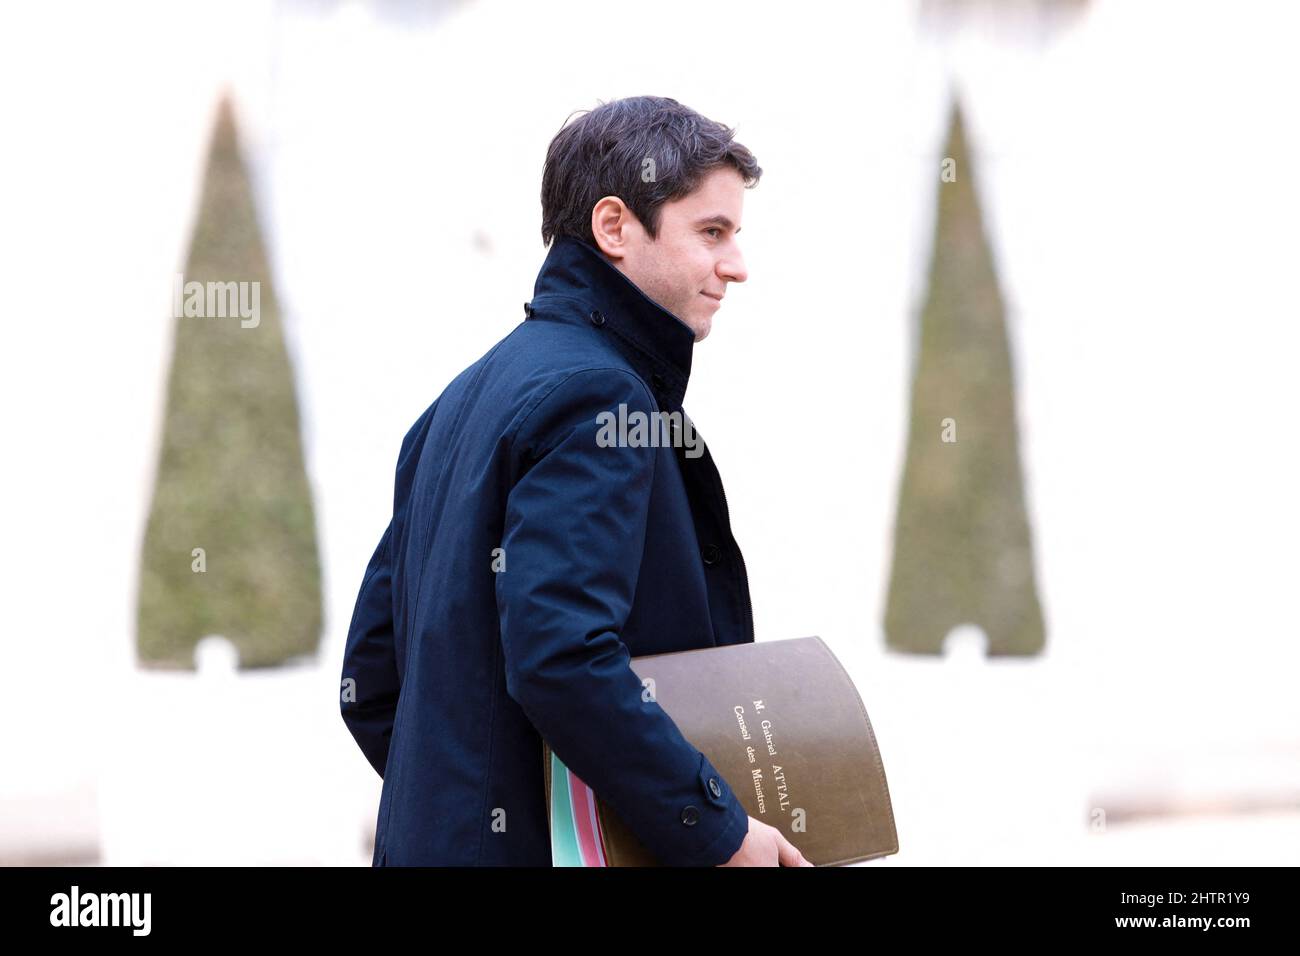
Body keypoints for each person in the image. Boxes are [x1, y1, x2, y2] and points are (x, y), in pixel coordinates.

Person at [340, 95, 810, 867]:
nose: (737, 265)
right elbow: (561, 656)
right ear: (614, 227)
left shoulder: (457, 401)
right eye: (711, 232)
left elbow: (372, 676)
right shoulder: (601, 396)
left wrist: (464, 808)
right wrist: (716, 833)